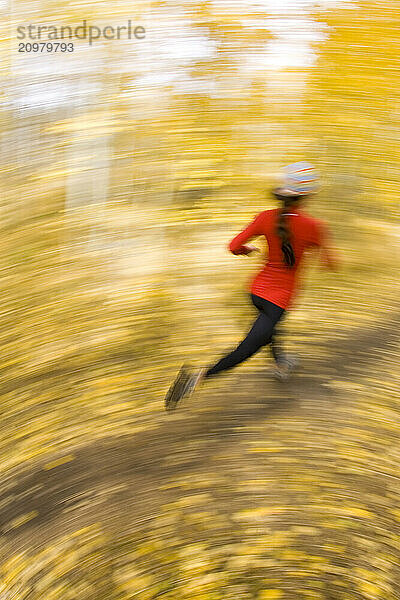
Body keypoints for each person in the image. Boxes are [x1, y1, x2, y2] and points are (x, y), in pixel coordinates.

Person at [165, 162, 339, 411]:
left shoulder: (265, 217)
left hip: (256, 291)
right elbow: (331, 263)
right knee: (248, 347)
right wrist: (322, 252)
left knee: (269, 327)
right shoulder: (314, 226)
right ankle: (197, 378)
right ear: (308, 195)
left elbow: (234, 245)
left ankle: (281, 364)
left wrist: (248, 250)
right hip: (279, 298)